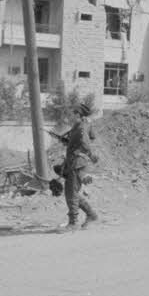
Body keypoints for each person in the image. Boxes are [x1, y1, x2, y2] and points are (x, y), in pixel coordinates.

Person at [58, 94, 99, 231]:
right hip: (75, 162)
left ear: (78, 114)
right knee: (72, 192)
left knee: (71, 192)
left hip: (77, 162)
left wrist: (90, 154)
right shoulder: (82, 125)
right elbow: (92, 136)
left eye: (72, 113)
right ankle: (91, 214)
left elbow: (85, 141)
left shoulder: (81, 126)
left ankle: (73, 222)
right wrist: (67, 141)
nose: (70, 116)